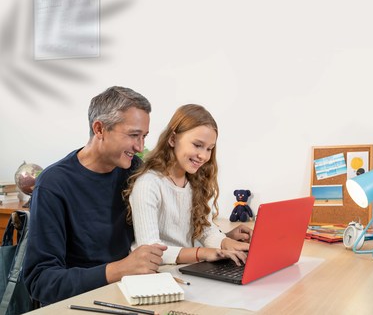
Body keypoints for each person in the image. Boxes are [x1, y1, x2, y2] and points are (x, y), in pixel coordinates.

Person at [23, 86, 167, 305]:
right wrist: (119, 270)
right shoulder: (53, 185)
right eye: (133, 135)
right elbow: (41, 282)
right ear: (99, 129)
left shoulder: (134, 171)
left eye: (144, 136)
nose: (140, 147)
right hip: (78, 304)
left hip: (130, 295)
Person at [124, 104, 252, 265]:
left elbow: (206, 230)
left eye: (209, 148)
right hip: (155, 273)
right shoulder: (148, 184)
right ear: (172, 139)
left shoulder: (195, 182)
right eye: (197, 145)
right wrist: (203, 253)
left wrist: (228, 244)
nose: (203, 156)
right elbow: (150, 250)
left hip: (186, 268)